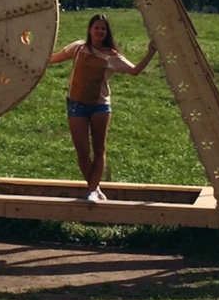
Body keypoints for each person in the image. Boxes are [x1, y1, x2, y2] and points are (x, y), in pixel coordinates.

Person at [50, 13, 157, 203]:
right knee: (82, 151)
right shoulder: (78, 47)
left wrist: (150, 52)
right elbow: (52, 58)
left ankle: (92, 191)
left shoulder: (112, 56)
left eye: (103, 28)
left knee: (99, 149)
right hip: (76, 104)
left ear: (107, 32)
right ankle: (95, 188)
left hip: (100, 106)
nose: (99, 31)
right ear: (90, 30)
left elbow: (135, 71)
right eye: (96, 27)